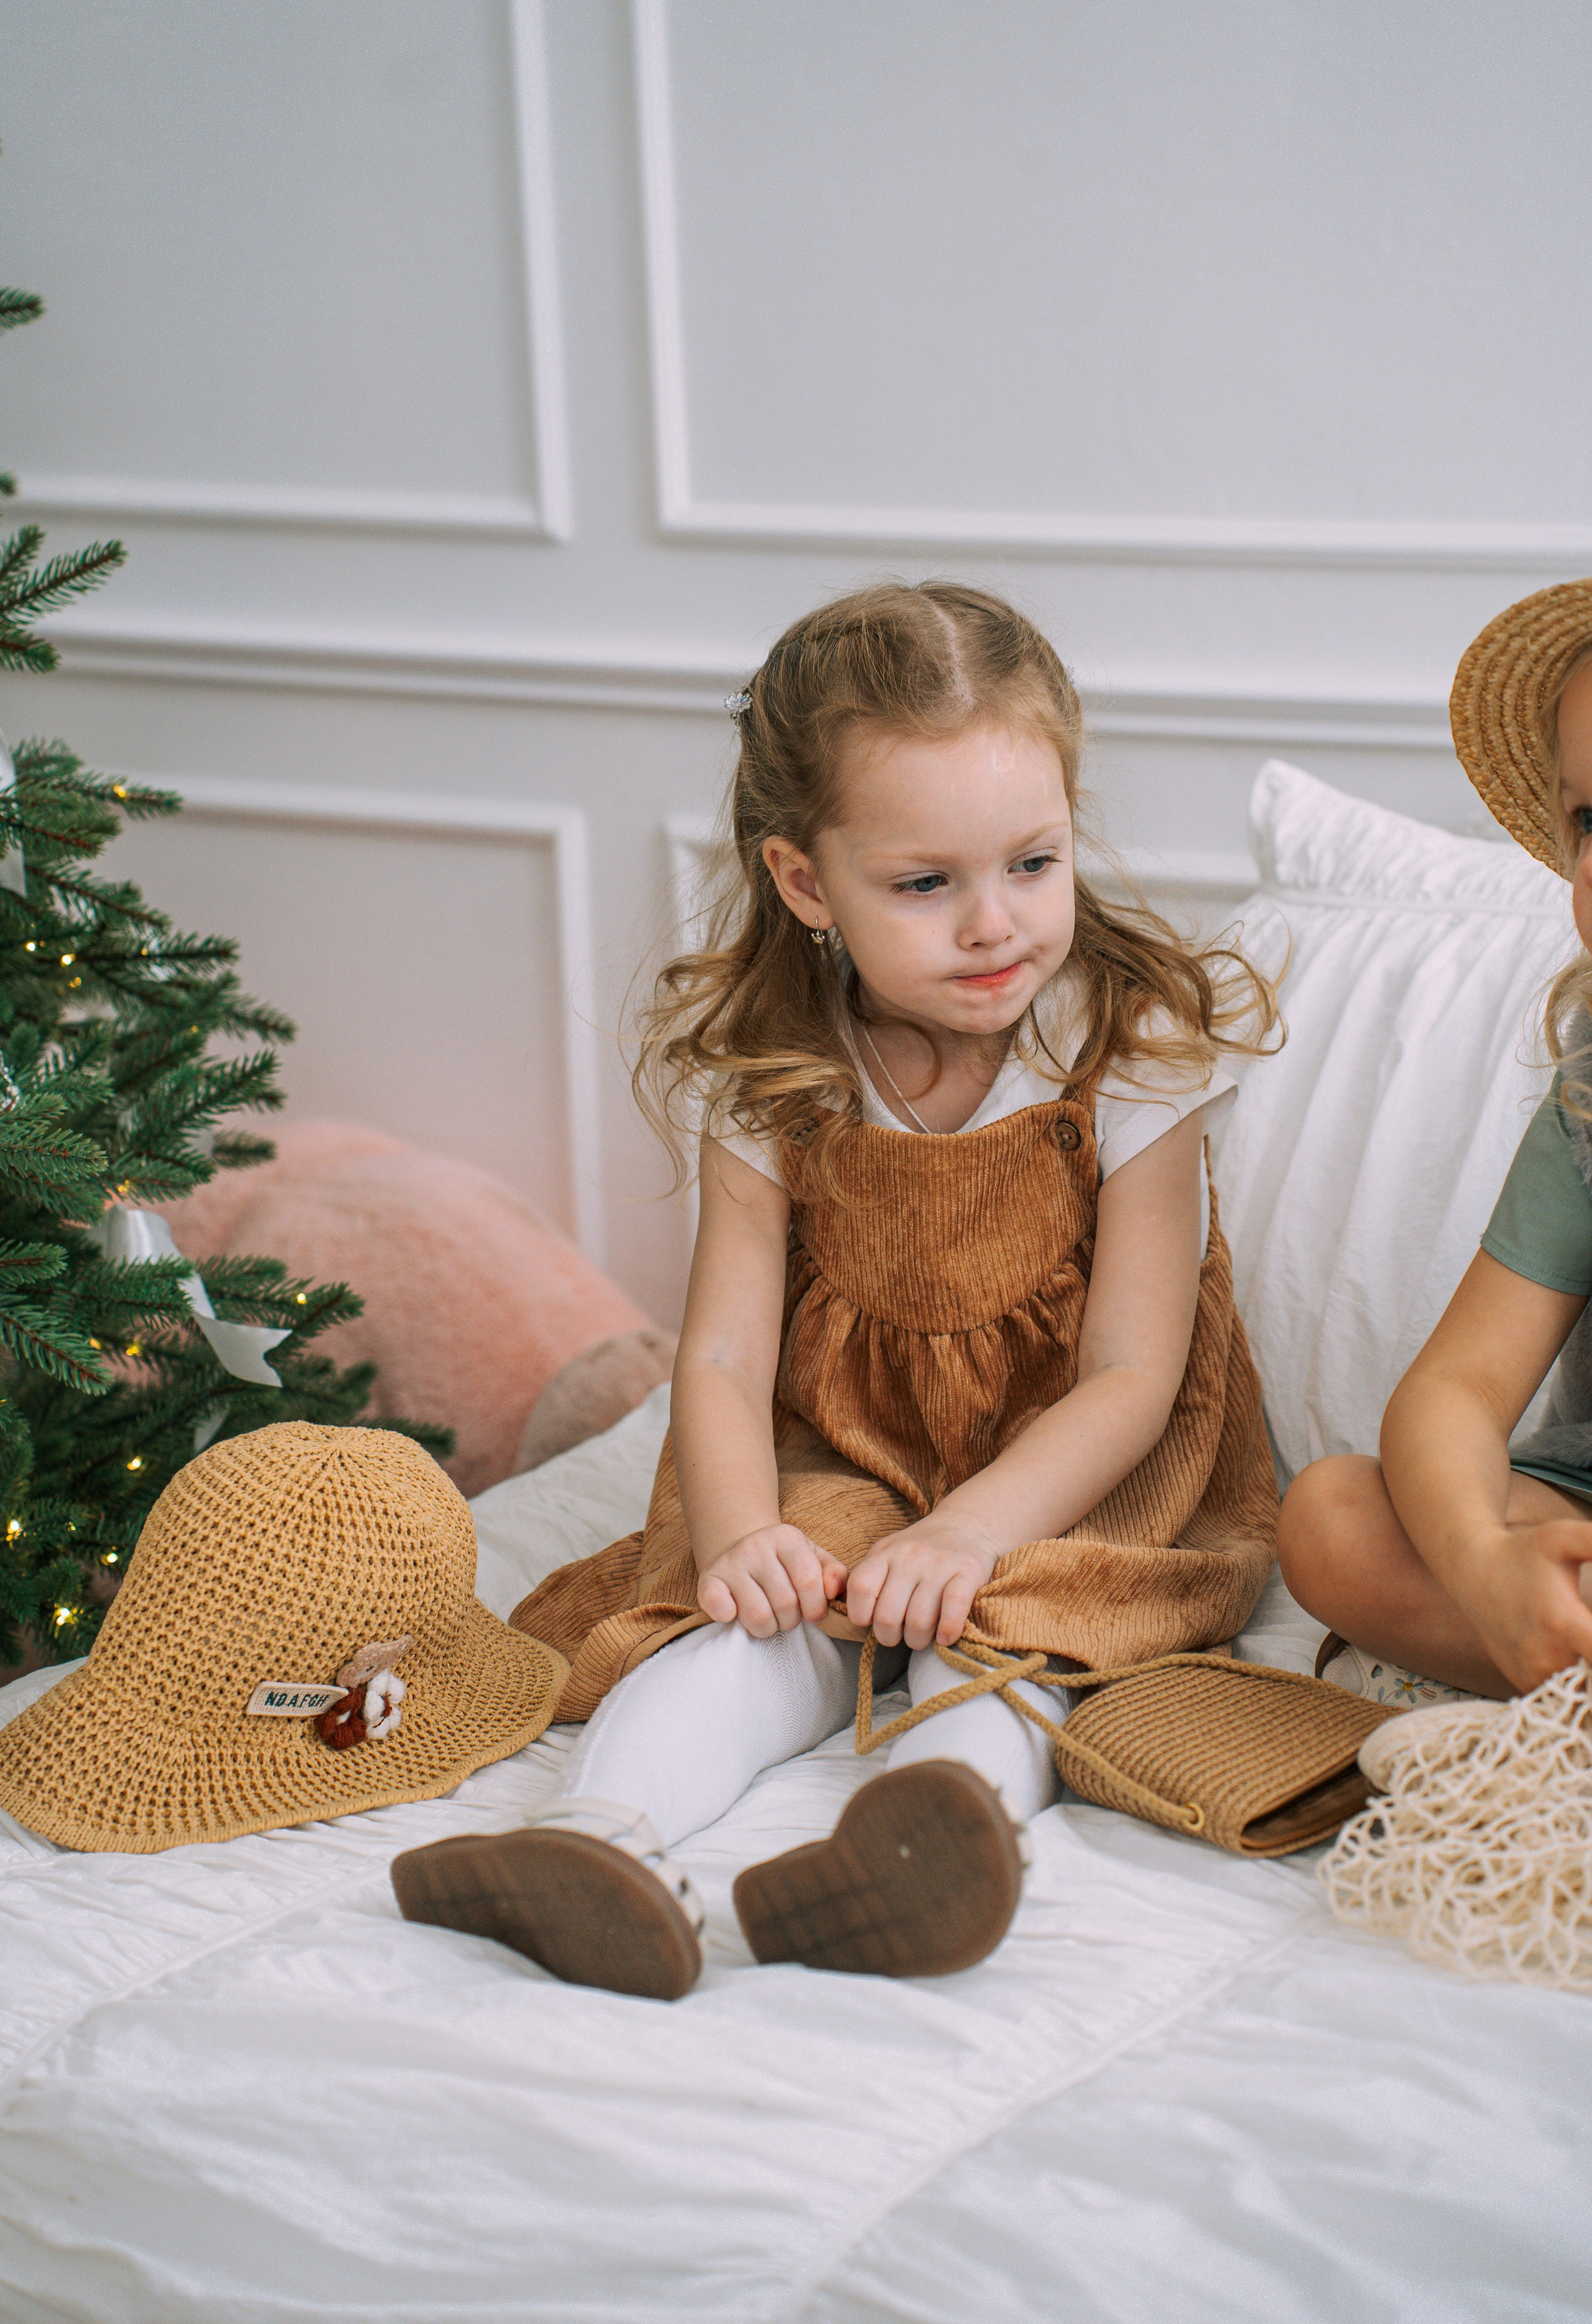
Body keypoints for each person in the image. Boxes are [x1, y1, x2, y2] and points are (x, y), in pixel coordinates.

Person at [396, 582, 1279, 1998]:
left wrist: (971, 1536)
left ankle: (934, 1842)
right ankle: (597, 1840)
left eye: (1034, 863)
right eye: (924, 885)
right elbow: (728, 1360)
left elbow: (1132, 1375)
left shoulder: (1125, 1046)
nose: (995, 926)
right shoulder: (778, 1067)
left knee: (1017, 1626)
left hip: (1070, 1468)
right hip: (851, 1443)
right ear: (807, 883)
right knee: (757, 1610)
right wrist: (742, 1532)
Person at [1280, 579, 1592, 1711]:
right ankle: (1529, 1649)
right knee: (1330, 1516)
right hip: (1576, 1522)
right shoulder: (1591, 1097)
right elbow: (1454, 1392)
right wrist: (1488, 1568)